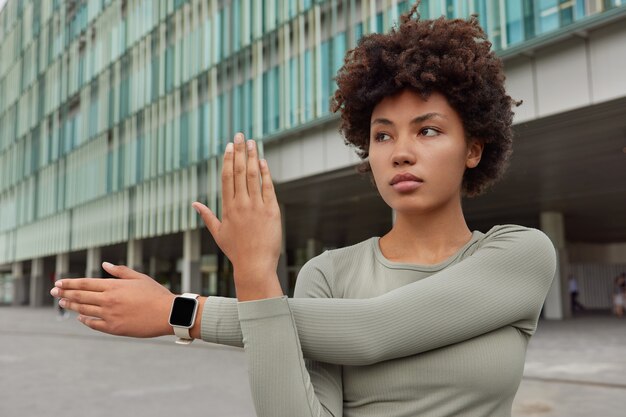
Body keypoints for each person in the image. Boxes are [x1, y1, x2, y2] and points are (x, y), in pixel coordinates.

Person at [50, 5, 556, 417]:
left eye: (428, 130)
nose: (400, 151)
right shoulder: (328, 274)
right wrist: (253, 271)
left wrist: (180, 312)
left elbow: (370, 331)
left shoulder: (519, 254)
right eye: (383, 134)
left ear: (474, 149)